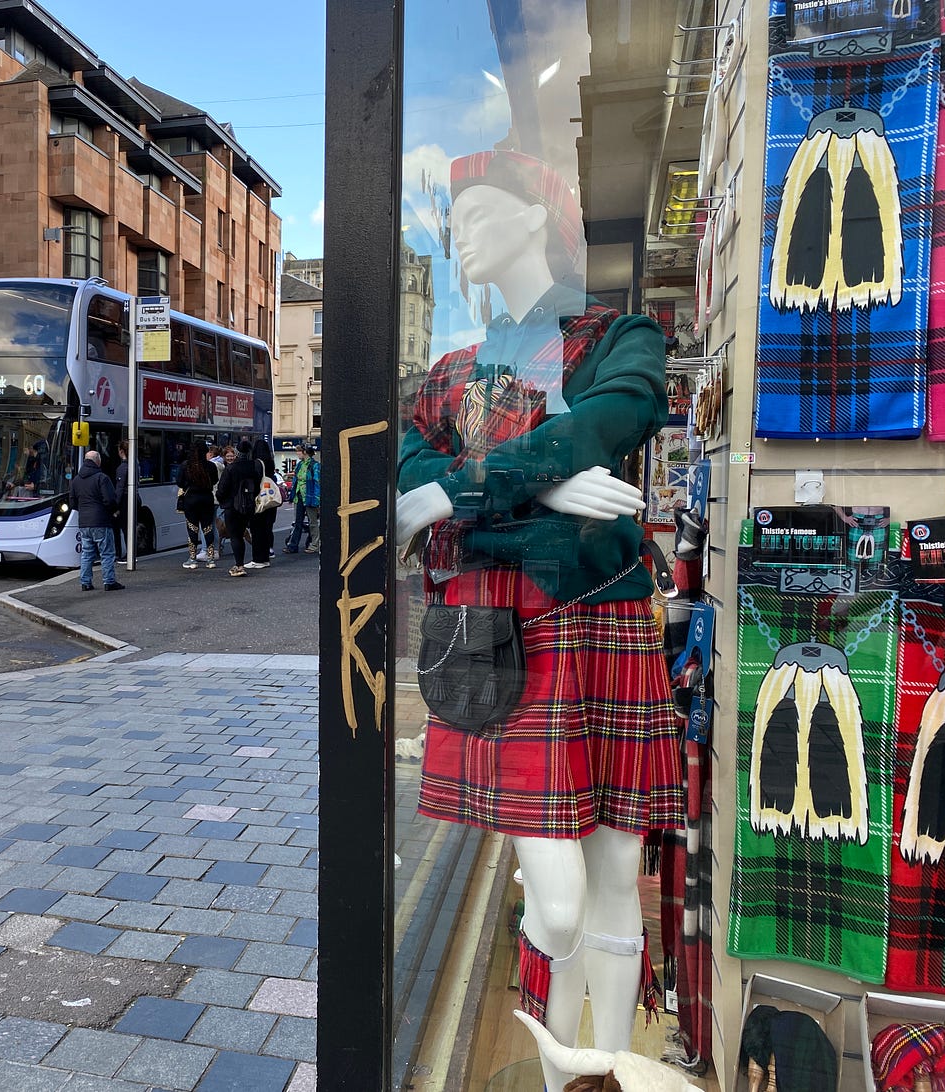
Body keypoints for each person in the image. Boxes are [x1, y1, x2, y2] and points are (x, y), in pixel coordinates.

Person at [394, 150, 682, 1092]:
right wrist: (544, 485)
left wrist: (464, 494)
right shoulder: (448, 374)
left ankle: (605, 1074)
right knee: (557, 907)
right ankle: (567, 1073)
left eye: (476, 212)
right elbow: (405, 480)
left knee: (616, 875)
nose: (460, 236)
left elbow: (611, 420)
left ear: (531, 217)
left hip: (600, 626)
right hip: (501, 634)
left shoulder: (619, 338)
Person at [68, 449, 122, 592]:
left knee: (87, 553)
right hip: (101, 521)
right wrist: (114, 511)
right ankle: (109, 582)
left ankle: (85, 582)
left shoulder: (76, 480)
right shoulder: (102, 478)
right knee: (107, 553)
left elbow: (72, 503)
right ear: (97, 461)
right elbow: (109, 500)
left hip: (84, 522)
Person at [214, 439, 261, 577]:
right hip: (248, 505)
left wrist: (223, 500)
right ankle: (242, 564)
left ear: (237, 452)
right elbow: (257, 487)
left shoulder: (231, 468)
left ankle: (239, 565)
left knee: (235, 536)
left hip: (232, 505)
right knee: (242, 533)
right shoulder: (254, 467)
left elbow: (222, 489)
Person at [176, 440, 219, 569]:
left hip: (191, 499)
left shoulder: (186, 465)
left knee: (192, 529)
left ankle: (192, 558)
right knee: (208, 528)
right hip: (207, 499)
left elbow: (179, 482)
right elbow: (215, 480)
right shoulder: (211, 466)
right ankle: (210, 558)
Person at [246, 437, 280, 568]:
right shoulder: (270, 462)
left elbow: (254, 482)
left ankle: (258, 559)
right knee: (267, 529)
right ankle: (265, 557)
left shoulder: (257, 463)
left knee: (257, 530)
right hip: (269, 500)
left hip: (260, 500)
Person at [284, 443, 321, 554]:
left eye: (299, 451)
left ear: (305, 452)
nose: (297, 453)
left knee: (312, 522)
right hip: (299, 496)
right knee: (297, 522)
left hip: (309, 497)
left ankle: (315, 544)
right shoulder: (300, 465)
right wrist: (292, 496)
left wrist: (317, 499)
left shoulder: (315, 465)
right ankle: (293, 545)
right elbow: (296, 481)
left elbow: (317, 483)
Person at [112, 440, 131, 558]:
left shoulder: (122, 468)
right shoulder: (135, 464)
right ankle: (130, 552)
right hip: (132, 499)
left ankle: (118, 553)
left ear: (121, 451)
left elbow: (119, 488)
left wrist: (115, 505)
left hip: (124, 500)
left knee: (119, 527)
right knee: (128, 528)